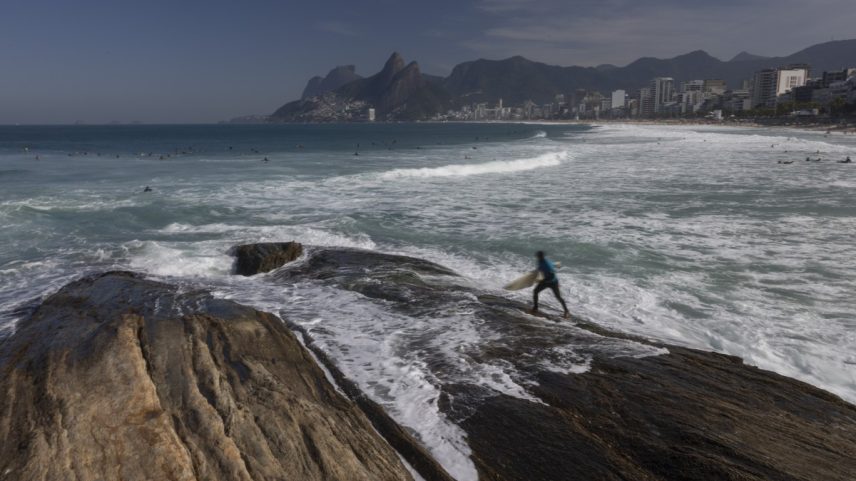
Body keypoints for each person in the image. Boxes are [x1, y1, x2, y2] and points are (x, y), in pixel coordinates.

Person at [531, 251, 570, 318]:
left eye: (538, 256)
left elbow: (552, 275)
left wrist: (542, 281)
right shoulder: (540, 261)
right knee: (535, 291)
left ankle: (566, 311)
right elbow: (544, 267)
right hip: (546, 281)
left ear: (541, 256)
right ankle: (535, 307)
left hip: (553, 282)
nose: (537, 257)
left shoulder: (547, 265)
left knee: (558, 297)